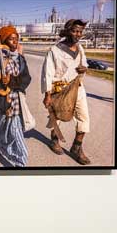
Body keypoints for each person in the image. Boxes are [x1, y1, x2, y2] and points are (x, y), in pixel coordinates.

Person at [41, 19, 91, 165]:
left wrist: (84, 68)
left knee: (84, 118)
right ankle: (54, 139)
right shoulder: (54, 50)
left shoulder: (80, 49)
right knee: (56, 117)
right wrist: (47, 95)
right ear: (68, 31)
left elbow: (85, 64)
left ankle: (76, 147)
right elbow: (47, 73)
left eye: (80, 32)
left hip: (78, 87)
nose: (77, 34)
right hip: (60, 89)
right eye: (75, 31)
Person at [0, 26, 31, 167]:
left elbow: (27, 79)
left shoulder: (20, 59)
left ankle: (21, 163)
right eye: (11, 39)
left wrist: (11, 81)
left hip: (16, 104)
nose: (15, 42)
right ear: (4, 40)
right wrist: (2, 90)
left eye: (17, 39)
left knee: (16, 134)